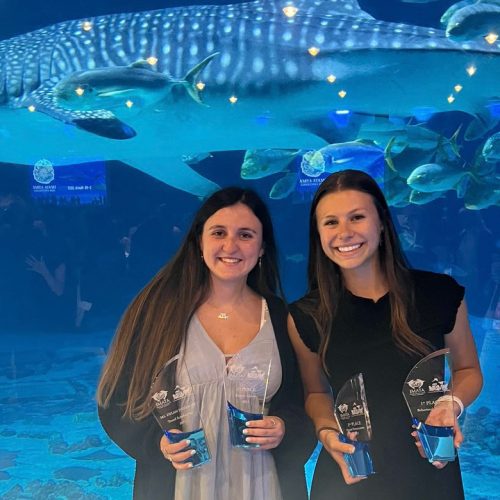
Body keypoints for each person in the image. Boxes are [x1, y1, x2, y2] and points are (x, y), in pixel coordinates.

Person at [97, 187, 314, 500]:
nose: (231, 245)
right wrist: (156, 443)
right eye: (218, 232)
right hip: (181, 488)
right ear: (200, 241)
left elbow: (306, 401)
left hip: (265, 488)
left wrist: (284, 427)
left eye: (246, 235)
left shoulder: (282, 317)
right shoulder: (158, 312)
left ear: (262, 247)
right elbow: (115, 397)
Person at [287, 170, 482, 500]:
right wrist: (326, 430)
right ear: (317, 233)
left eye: (357, 217)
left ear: (381, 222)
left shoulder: (440, 295)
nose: (344, 233)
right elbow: (316, 393)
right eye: (330, 222)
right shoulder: (306, 315)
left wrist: (453, 403)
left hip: (429, 466)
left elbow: (468, 371)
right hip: (349, 473)